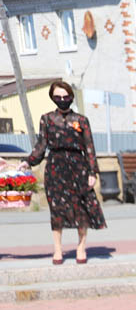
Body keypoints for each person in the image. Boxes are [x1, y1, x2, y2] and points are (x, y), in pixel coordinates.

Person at [18, 80, 106, 265]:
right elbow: (41, 145)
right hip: (55, 168)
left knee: (81, 209)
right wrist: (28, 161)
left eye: (65, 97)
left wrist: (92, 172)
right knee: (57, 210)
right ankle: (57, 250)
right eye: (58, 97)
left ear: (71, 97)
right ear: (52, 98)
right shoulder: (47, 119)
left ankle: (81, 247)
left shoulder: (81, 120)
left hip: (78, 167)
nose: (62, 100)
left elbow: (89, 147)